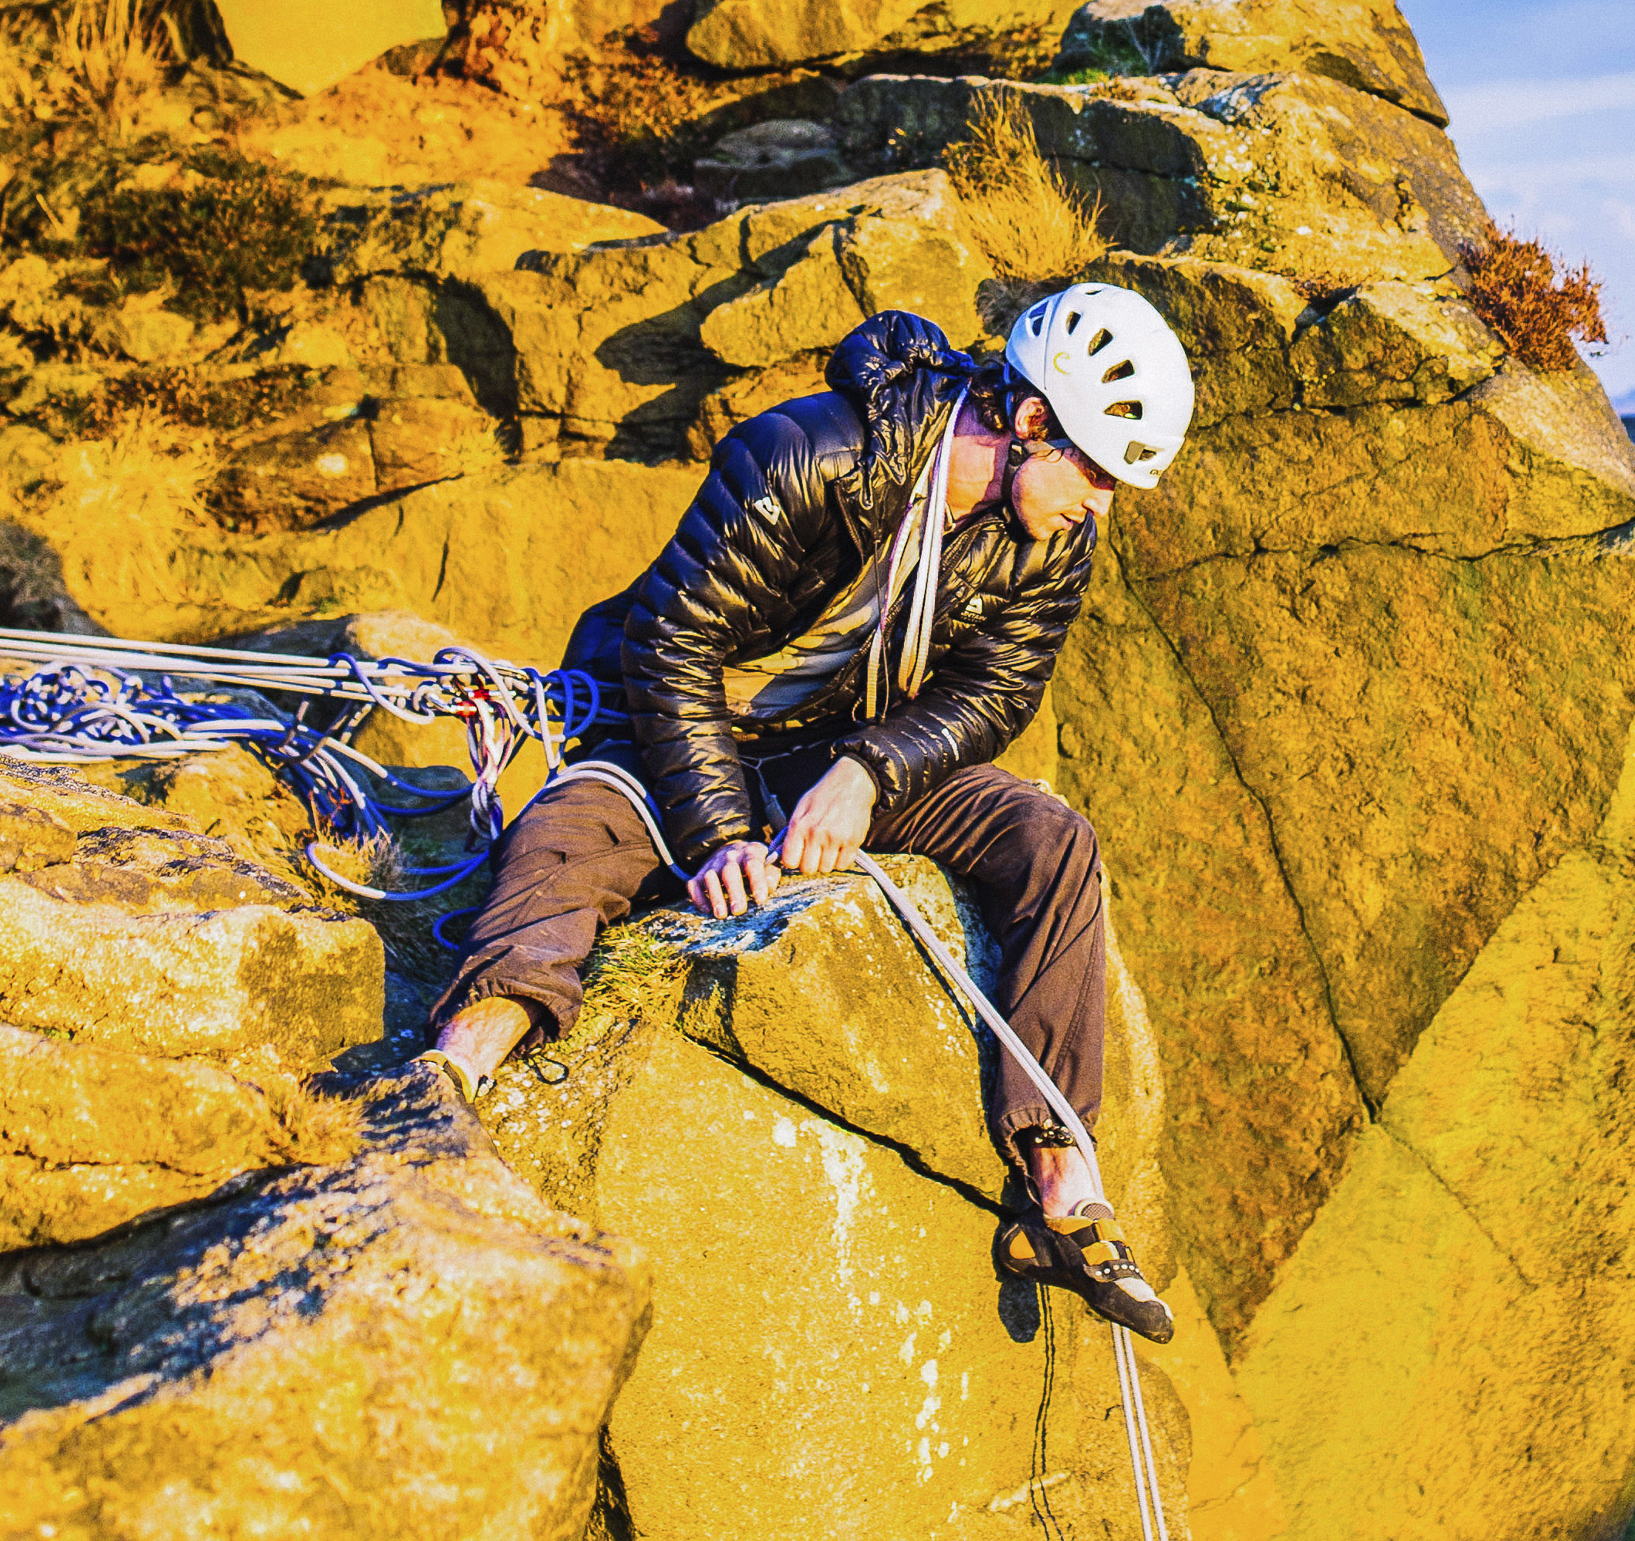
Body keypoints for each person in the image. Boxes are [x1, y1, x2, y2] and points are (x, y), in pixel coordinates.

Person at [424, 282, 1195, 1342]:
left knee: (1051, 841)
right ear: (1027, 424)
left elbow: (998, 691)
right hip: (665, 731)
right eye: (1098, 472)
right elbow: (670, 642)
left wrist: (873, 769)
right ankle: (455, 1071)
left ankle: (1060, 1182)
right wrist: (715, 835)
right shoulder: (808, 453)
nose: (1101, 505)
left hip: (835, 753)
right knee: (564, 844)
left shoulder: (1050, 538)